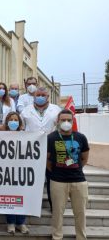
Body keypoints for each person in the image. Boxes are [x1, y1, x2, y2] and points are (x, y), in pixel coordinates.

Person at [47, 109, 89, 240]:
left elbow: (84, 158)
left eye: (69, 120)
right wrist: (56, 171)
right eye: (63, 120)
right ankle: (57, 236)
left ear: (73, 121)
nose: (66, 122)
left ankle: (81, 237)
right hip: (58, 181)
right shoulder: (51, 137)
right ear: (58, 122)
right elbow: (47, 160)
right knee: (57, 213)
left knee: (80, 213)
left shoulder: (80, 137)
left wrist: (75, 168)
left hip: (79, 181)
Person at [21, 87, 61, 211]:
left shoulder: (56, 110)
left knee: (51, 178)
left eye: (43, 95)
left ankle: (53, 205)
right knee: (31, 178)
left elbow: (60, 128)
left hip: (50, 148)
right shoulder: (25, 111)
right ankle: (29, 204)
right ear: (34, 96)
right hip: (30, 149)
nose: (40, 97)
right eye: (38, 95)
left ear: (48, 97)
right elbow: (21, 128)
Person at [0, 111, 29, 234]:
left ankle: (21, 223)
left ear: (19, 122)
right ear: (7, 122)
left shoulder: (26, 135)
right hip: (6, 172)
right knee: (9, 198)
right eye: (11, 119)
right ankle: (11, 223)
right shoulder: (1, 135)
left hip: (21, 171)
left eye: (16, 120)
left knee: (22, 197)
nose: (13, 122)